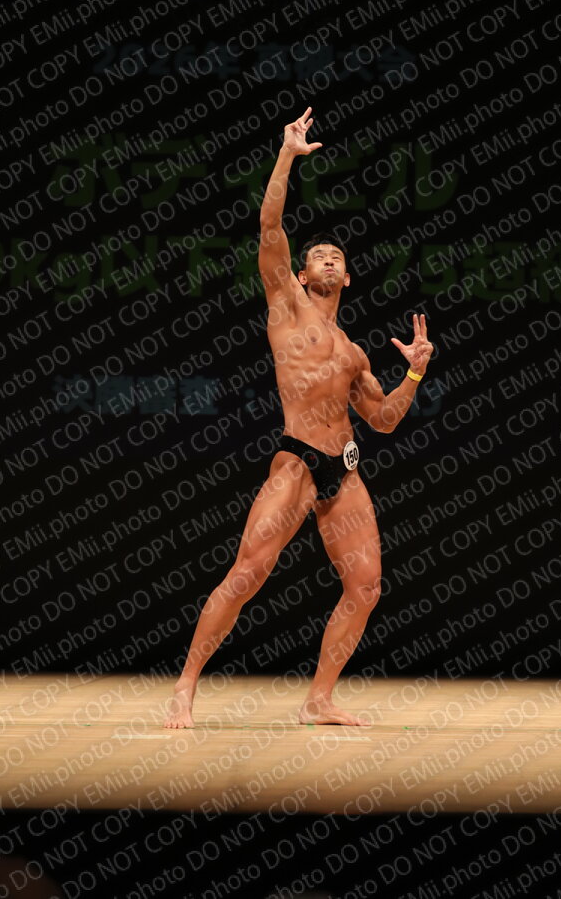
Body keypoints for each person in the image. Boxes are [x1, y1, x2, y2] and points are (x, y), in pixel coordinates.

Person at [164, 107, 434, 727]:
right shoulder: (286, 304)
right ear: (302, 273)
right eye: (319, 256)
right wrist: (288, 154)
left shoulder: (354, 351)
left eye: (337, 256)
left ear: (348, 275)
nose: (329, 260)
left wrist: (415, 374)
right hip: (297, 462)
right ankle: (185, 684)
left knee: (366, 587)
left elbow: (384, 420)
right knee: (248, 574)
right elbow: (269, 225)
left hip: (345, 470)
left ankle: (319, 698)